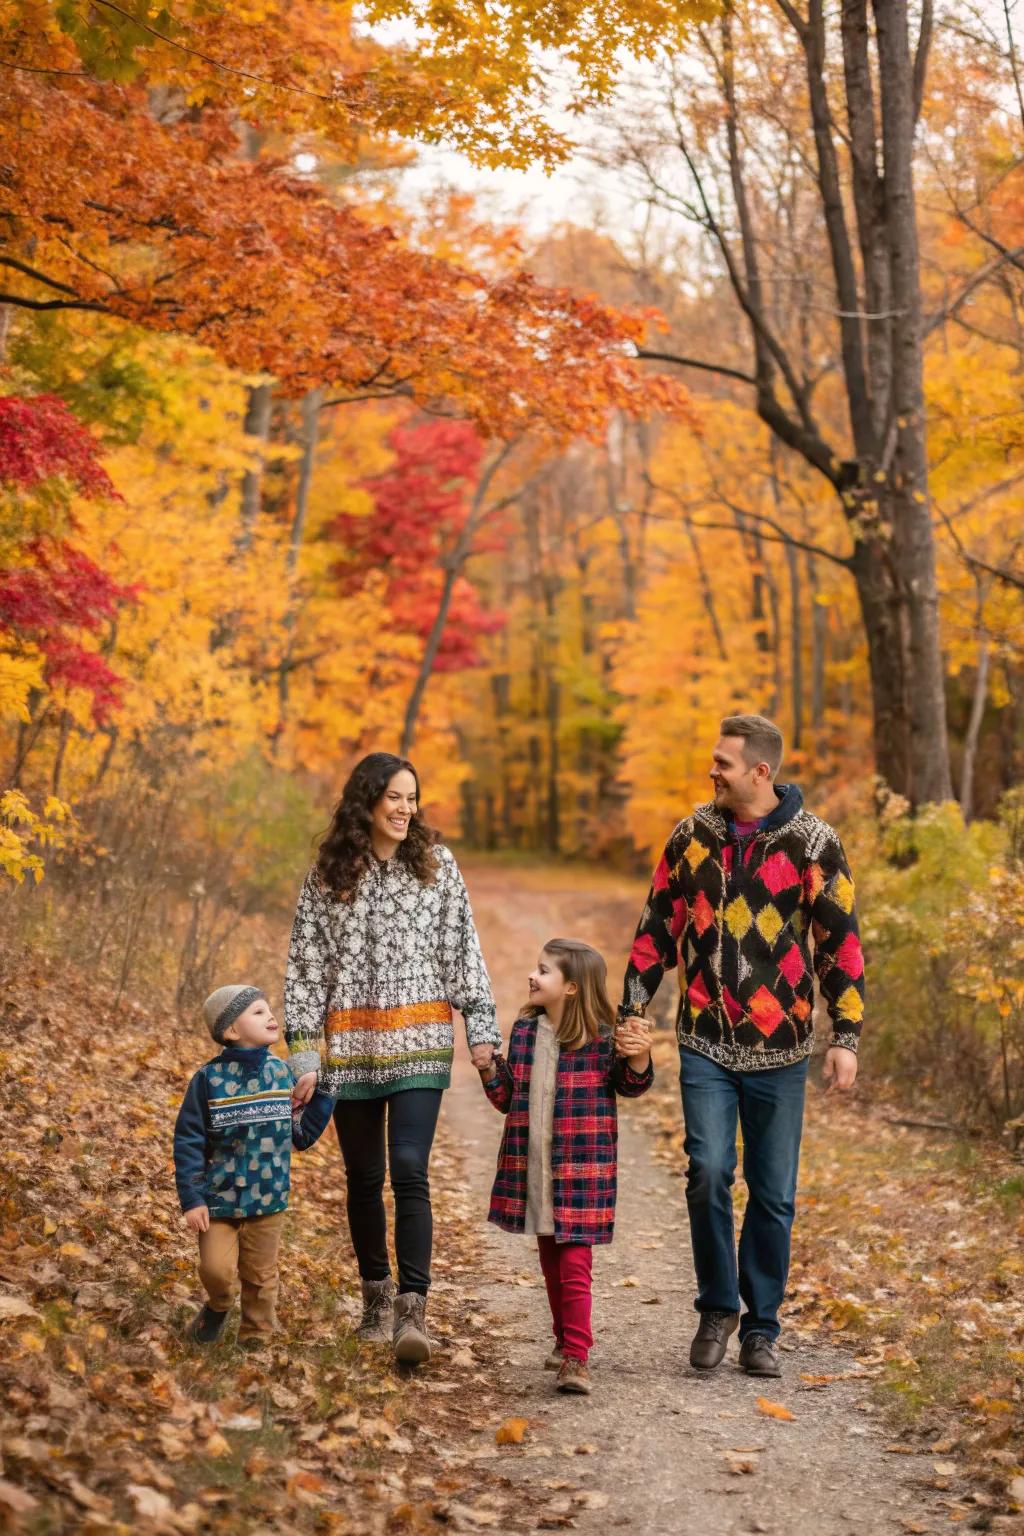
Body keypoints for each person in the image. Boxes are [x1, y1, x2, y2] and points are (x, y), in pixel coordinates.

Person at [620, 713, 864, 1379]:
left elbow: (838, 943)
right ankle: (717, 1306)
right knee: (707, 1172)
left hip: (782, 1049)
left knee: (774, 1193)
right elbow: (655, 927)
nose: (712, 771)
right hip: (703, 1039)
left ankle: (761, 1328)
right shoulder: (690, 837)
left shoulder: (814, 845)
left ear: (761, 771)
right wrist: (632, 1006)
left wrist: (845, 1035)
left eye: (724, 762)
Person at [285, 751, 500, 1365]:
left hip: (420, 1042)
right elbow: (304, 970)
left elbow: (464, 950)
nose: (406, 809)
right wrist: (304, 1054)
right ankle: (375, 1299)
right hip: (350, 1049)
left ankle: (414, 1311)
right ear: (368, 802)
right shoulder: (331, 873)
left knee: (409, 1167)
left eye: (413, 798)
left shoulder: (436, 865)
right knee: (362, 1178)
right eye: (395, 798)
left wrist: (480, 1029)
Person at [479, 938, 653, 1396]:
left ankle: (577, 1356)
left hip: (582, 1173)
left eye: (544, 971)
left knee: (575, 1261)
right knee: (551, 1260)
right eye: (536, 968)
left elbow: (633, 1085)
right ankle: (562, 1340)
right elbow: (506, 1100)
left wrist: (638, 1056)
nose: (533, 976)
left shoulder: (602, 1039)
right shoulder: (523, 1033)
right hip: (533, 1166)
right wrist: (487, 1069)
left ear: (572, 988)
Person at [174, 984, 334, 1346]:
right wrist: (192, 1198)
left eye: (269, 1010)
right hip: (219, 1199)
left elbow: (301, 1136)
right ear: (231, 1030)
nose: (271, 1016)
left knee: (261, 1277)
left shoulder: (282, 1075)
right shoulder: (207, 1080)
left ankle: (256, 1340)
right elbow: (188, 1141)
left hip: (268, 1196)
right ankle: (218, 1304)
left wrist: (324, 1092)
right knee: (216, 1269)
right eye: (258, 1012)